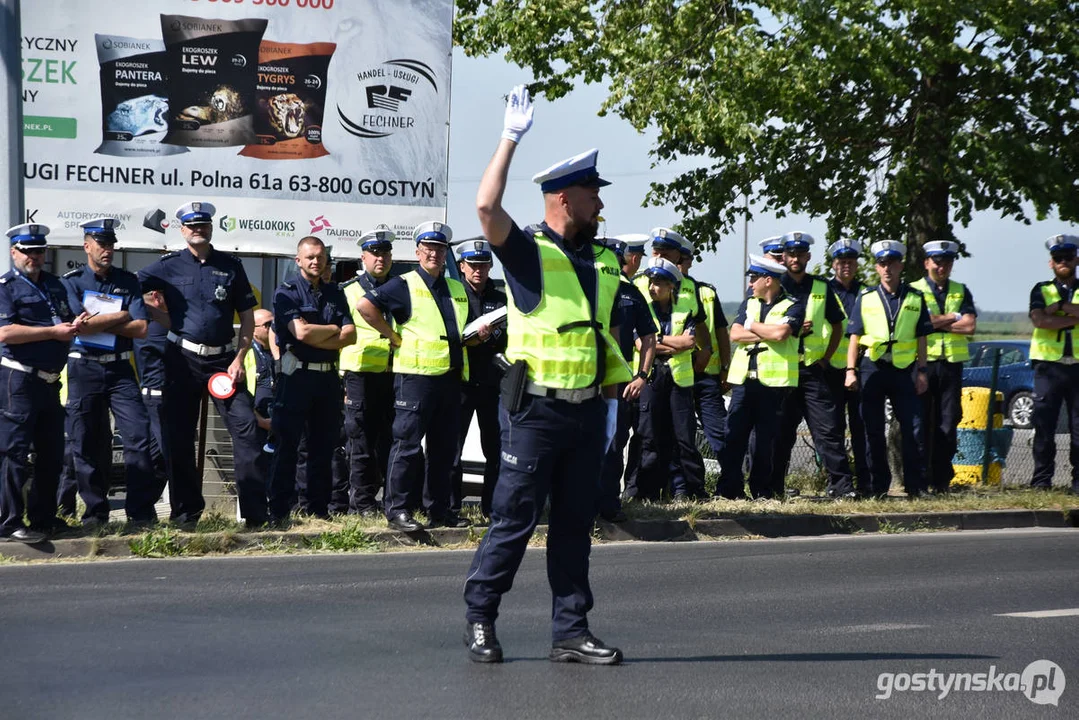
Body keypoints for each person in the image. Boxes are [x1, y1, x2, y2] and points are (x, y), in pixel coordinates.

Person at [463, 85, 630, 665]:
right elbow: (486, 209)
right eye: (592, 194)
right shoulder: (530, 253)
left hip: (586, 414)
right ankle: (480, 617)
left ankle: (570, 631)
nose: (600, 204)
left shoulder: (597, 262)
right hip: (535, 413)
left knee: (575, 529)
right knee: (513, 521)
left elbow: (601, 337)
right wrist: (510, 138)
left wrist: (608, 410)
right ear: (563, 198)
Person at [137, 202, 267, 527]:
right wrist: (153, 312)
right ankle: (186, 513)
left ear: (211, 228)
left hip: (225, 362)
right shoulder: (167, 266)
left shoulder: (231, 265)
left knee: (246, 430)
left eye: (203, 225)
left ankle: (255, 515)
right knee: (178, 437)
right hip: (182, 360)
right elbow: (128, 289)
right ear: (182, 231)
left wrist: (240, 357)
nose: (198, 230)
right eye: (192, 226)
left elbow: (248, 316)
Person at [357, 221, 470, 532]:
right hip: (415, 377)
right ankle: (397, 511)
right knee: (406, 446)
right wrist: (392, 336)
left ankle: (440, 511)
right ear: (418, 251)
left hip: (449, 377)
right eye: (429, 248)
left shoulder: (457, 288)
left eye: (439, 248)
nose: (434, 253)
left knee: (444, 449)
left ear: (446, 253)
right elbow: (365, 306)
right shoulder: (404, 283)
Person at [61, 218, 157, 527]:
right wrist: (122, 313)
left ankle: (141, 513)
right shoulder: (72, 281)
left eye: (111, 245)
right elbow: (80, 327)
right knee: (88, 441)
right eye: (102, 244)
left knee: (139, 435)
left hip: (119, 368)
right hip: (84, 367)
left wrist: (100, 320)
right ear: (86, 246)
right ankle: (96, 514)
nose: (108, 250)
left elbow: (141, 328)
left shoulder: (128, 281)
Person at [0, 224, 90, 543]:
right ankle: (8, 522)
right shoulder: (6, 287)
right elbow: (5, 332)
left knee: (52, 452)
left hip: (51, 380)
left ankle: (44, 517)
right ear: (14, 253)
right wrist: (53, 333)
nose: (34, 257)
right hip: (18, 378)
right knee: (15, 451)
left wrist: (80, 322)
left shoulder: (55, 284)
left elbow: (77, 315)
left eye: (39, 251)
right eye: (27, 251)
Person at [268, 237, 354, 520]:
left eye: (320, 257)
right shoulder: (287, 292)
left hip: (327, 380)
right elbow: (300, 333)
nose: (316, 261)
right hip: (296, 378)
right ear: (298, 261)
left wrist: (319, 334)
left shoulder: (335, 292)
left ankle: (317, 510)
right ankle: (280, 510)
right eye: (310, 257)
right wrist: (332, 328)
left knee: (323, 447)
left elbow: (350, 335)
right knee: (288, 445)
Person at [770, 231, 856, 499]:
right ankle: (774, 488)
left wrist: (826, 358)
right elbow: (763, 323)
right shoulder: (774, 284)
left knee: (828, 430)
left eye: (800, 254)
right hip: (784, 370)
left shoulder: (821, 286)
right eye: (791, 254)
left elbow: (838, 326)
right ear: (784, 257)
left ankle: (842, 487)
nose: (796, 259)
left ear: (808, 257)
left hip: (812, 371)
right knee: (781, 433)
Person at [844, 240, 932, 498]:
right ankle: (876, 486)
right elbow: (854, 337)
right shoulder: (867, 296)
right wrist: (851, 371)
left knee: (913, 428)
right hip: (873, 367)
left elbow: (922, 338)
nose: (887, 269)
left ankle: (916, 486)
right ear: (876, 267)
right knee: (872, 429)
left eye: (892, 264)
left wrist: (923, 371)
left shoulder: (915, 298)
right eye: (882, 264)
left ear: (900, 265)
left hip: (904, 369)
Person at [716, 254, 803, 500]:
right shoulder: (749, 303)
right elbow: (735, 333)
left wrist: (752, 326)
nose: (750, 283)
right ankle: (728, 490)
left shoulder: (793, 304)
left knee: (765, 442)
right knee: (734, 437)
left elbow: (782, 334)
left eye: (754, 278)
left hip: (773, 385)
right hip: (744, 381)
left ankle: (761, 491)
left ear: (768, 280)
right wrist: (765, 330)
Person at [634, 257, 705, 500]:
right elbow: (639, 344)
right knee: (650, 436)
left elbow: (690, 342)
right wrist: (672, 343)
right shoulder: (642, 309)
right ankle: (648, 493)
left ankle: (691, 490)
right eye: (651, 282)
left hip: (679, 382)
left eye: (659, 283)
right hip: (652, 378)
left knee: (684, 438)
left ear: (672, 286)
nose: (653, 287)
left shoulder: (685, 311)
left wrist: (656, 341)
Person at [339, 228, 397, 516]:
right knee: (360, 440)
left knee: (391, 440)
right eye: (375, 253)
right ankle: (361, 503)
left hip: (395, 373)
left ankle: (390, 501)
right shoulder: (348, 291)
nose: (381, 259)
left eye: (385, 253)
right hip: (360, 375)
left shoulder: (400, 288)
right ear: (363, 257)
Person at [911, 241, 977, 493]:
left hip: (951, 366)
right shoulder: (914, 290)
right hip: (922, 365)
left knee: (949, 424)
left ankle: (941, 480)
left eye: (947, 262)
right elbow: (918, 324)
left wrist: (934, 322)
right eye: (937, 261)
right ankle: (921, 478)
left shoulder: (961, 290)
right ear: (927, 262)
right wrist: (953, 317)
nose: (942, 266)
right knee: (921, 424)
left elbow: (970, 326)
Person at [449, 238, 507, 519]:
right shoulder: (454, 295)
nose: (478, 271)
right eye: (473, 265)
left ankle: (491, 508)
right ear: (461, 266)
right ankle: (450, 507)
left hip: (493, 385)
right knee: (452, 448)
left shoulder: (501, 298)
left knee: (496, 450)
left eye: (483, 265)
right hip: (460, 383)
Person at [599, 235, 655, 521]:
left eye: (616, 263)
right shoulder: (584, 289)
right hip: (583, 381)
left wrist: (642, 375)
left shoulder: (631, 294)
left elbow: (649, 337)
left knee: (614, 443)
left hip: (619, 385)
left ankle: (608, 505)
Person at [1028, 234, 1079, 494]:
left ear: (1076, 259)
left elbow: (1049, 317)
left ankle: (1078, 481)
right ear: (1051, 263)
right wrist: (1069, 311)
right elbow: (1039, 321)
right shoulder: (1040, 289)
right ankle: (1041, 481)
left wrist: (1057, 309)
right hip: (1048, 367)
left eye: (1068, 257)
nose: (1063, 261)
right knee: (1044, 427)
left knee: (1078, 429)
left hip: (1078, 367)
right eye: (1058, 258)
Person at [677, 244, 730, 471]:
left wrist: (726, 367)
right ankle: (685, 486)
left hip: (707, 375)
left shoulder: (706, 292)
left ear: (690, 262)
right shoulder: (659, 289)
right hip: (678, 375)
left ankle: (731, 482)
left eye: (683, 260)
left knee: (719, 431)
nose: (679, 265)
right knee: (681, 434)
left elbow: (721, 331)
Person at [825, 239, 871, 494]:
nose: (846, 267)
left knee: (861, 426)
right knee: (832, 429)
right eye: (841, 262)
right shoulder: (824, 291)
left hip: (860, 367)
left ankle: (865, 482)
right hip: (831, 368)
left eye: (851, 262)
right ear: (834, 264)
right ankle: (838, 483)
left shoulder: (867, 293)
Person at [245, 308, 276, 481]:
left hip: (278, 423)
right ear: (254, 329)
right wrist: (262, 421)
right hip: (257, 424)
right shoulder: (246, 354)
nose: (273, 328)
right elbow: (242, 396)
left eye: (274, 323)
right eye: (267, 325)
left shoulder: (278, 352)